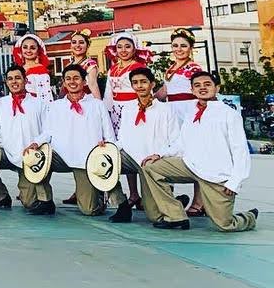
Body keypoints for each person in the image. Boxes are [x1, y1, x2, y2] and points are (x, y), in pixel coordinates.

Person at [141, 71, 259, 233]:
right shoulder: (192, 112)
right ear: (192, 90)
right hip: (190, 165)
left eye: (207, 84)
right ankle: (175, 216)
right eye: (197, 85)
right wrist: (160, 155)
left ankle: (249, 217)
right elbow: (181, 143)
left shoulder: (229, 114)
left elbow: (240, 151)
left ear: (217, 87)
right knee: (151, 168)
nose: (202, 88)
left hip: (216, 175)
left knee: (224, 224)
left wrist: (235, 181)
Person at [42, 64, 118, 216]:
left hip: (86, 159)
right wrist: (35, 144)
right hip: (60, 156)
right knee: (35, 158)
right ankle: (44, 200)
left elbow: (109, 135)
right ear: (63, 82)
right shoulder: (55, 106)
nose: (72, 82)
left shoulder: (97, 105)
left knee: (89, 210)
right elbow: (47, 132)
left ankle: (100, 195)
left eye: (76, 78)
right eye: (68, 79)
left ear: (84, 82)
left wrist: (107, 148)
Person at [0, 66, 49, 212]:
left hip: (29, 156)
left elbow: (48, 130)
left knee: (29, 203)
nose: (14, 82)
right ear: (6, 82)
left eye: (18, 78)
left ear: (25, 80)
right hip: (6, 153)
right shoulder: (0, 104)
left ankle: (43, 199)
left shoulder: (38, 103)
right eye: (10, 79)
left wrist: (36, 143)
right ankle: (1, 196)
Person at [110, 67, 181, 224]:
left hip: (151, 161)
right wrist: (108, 149)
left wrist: (160, 155)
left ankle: (171, 203)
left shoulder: (166, 110)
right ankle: (122, 204)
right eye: (135, 83)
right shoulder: (128, 108)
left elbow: (175, 140)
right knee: (101, 162)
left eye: (143, 82)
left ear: (152, 84)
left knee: (154, 216)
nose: (139, 86)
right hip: (130, 157)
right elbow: (122, 138)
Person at [157, 27, 206, 216]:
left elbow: (201, 90)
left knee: (194, 155)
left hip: (187, 112)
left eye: (183, 46)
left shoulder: (194, 68)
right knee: (172, 154)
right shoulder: (171, 68)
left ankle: (199, 201)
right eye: (175, 45)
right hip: (172, 113)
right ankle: (170, 197)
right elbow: (165, 92)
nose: (178, 49)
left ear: (191, 48)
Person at [103, 31, 152, 207]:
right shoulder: (113, 68)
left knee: (140, 148)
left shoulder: (139, 67)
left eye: (127, 46)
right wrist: (106, 113)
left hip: (134, 109)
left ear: (134, 48)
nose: (123, 50)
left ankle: (148, 193)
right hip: (116, 112)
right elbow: (108, 93)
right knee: (125, 150)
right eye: (120, 47)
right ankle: (133, 193)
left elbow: (145, 89)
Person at [15, 33, 53, 102]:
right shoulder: (18, 69)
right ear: (21, 50)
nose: (28, 51)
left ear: (38, 51)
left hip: (35, 107)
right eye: (25, 47)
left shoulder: (41, 70)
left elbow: (45, 96)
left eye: (32, 48)